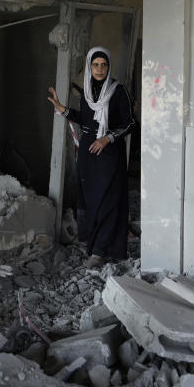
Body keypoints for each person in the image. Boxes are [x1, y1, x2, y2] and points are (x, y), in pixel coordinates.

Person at [47, 47, 136, 267]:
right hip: (88, 153)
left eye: (103, 65)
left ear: (109, 67)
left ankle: (100, 251)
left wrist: (107, 139)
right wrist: (62, 109)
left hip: (108, 153)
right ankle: (96, 245)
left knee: (109, 201)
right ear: (89, 66)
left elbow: (130, 123)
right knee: (92, 200)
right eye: (95, 65)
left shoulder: (117, 90)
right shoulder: (87, 91)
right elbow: (85, 120)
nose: (99, 69)